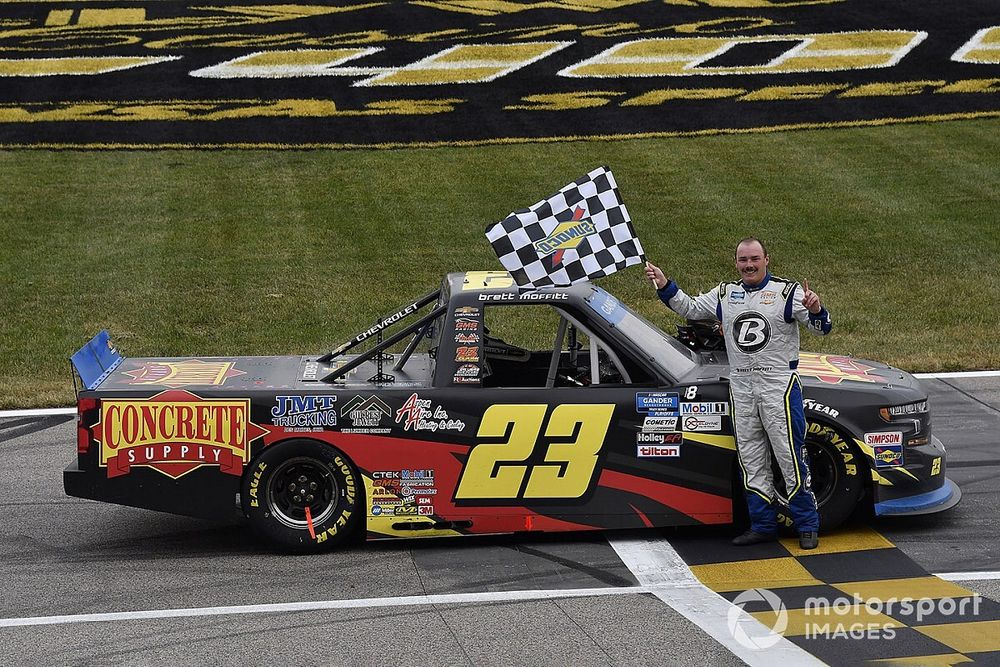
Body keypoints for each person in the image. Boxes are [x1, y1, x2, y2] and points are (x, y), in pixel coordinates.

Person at [645, 238, 832, 550]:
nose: (749, 265)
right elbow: (690, 308)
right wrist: (665, 284)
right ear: (736, 263)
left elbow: (821, 328)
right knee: (751, 458)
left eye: (754, 259)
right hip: (741, 385)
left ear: (766, 260)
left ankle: (807, 524)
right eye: (743, 260)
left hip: (778, 385)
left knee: (788, 456)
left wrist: (817, 309)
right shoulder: (725, 293)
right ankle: (762, 525)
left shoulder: (788, 291)